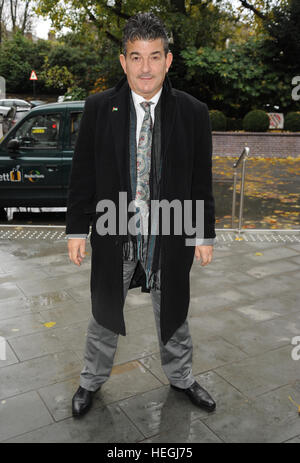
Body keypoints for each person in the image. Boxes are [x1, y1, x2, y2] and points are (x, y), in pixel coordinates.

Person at [66, 12, 217, 418]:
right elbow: (82, 174)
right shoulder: (100, 108)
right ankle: (90, 381)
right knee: (103, 312)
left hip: (171, 232)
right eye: (136, 57)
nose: (145, 68)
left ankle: (182, 378)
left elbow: (200, 181)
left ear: (169, 60)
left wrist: (204, 235)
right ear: (123, 62)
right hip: (116, 230)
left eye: (154, 56)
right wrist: (76, 229)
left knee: (175, 312)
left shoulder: (192, 112)